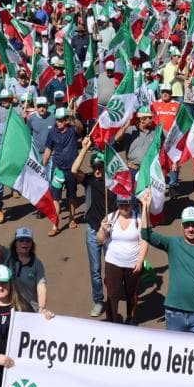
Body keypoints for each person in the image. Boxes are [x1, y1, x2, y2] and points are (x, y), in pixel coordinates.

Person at [140, 195, 194, 334]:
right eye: (187, 225)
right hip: (174, 314)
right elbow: (145, 234)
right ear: (182, 225)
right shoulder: (173, 243)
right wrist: (145, 207)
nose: (190, 229)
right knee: (174, 349)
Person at [71, 140, 116, 317]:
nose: (97, 170)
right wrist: (84, 149)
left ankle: (112, 299)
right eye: (95, 167)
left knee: (111, 268)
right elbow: (74, 170)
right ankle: (98, 301)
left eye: (100, 167)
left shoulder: (112, 183)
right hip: (92, 230)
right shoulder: (88, 181)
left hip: (110, 231)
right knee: (95, 270)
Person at [97, 196, 147, 324]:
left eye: (127, 204)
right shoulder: (110, 218)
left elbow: (144, 241)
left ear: (132, 204)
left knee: (131, 293)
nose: (124, 207)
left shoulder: (138, 219)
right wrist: (103, 229)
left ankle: (130, 318)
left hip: (133, 263)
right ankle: (112, 321)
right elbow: (100, 240)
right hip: (113, 262)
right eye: (121, 205)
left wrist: (140, 260)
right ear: (117, 205)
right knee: (113, 294)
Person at [0, 220, 48, 312]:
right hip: (4, 305)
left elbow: (41, 287)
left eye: (28, 241)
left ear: (32, 244)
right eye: (21, 240)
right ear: (15, 243)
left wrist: (42, 308)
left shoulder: (37, 264)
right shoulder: (5, 255)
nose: (24, 244)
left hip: (27, 309)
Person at [42, 107, 82, 235]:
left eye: (60, 120)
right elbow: (48, 149)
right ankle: (55, 225)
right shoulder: (52, 132)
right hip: (57, 169)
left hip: (72, 170)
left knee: (72, 196)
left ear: (66, 120)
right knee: (55, 198)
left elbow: (80, 128)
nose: (58, 122)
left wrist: (73, 117)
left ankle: (72, 219)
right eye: (57, 120)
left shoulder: (73, 130)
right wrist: (43, 165)